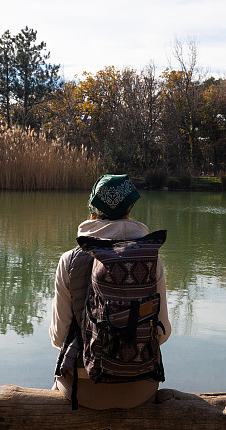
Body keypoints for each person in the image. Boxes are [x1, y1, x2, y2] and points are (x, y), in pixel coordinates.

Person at [49, 174, 171, 409]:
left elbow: (58, 338)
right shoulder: (150, 259)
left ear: (92, 208)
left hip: (82, 389)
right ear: (129, 208)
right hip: (139, 387)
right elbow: (162, 333)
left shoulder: (69, 260)